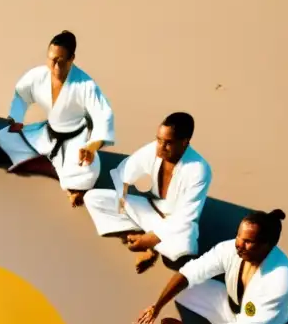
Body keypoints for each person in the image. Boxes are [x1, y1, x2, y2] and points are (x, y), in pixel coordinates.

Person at [136, 209, 288, 324]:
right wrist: (157, 306)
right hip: (232, 311)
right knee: (183, 288)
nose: (239, 244)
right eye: (238, 236)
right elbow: (190, 271)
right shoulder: (231, 249)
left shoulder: (281, 279)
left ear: (268, 244)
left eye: (248, 241)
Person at [0, 31, 114, 208]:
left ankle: (53, 167)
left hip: (75, 140)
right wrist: (17, 118)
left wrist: (91, 147)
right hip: (47, 134)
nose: (56, 67)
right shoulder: (39, 76)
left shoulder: (85, 85)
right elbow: (21, 94)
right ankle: (55, 167)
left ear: (72, 58)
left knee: (88, 173)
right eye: (52, 60)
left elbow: (103, 116)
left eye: (61, 61)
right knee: (2, 137)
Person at [83, 112, 212, 273]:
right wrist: (122, 203)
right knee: (93, 198)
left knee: (180, 255)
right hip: (149, 209)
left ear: (185, 142)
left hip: (176, 223)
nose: (160, 146)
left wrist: (150, 239)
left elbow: (186, 217)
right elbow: (125, 172)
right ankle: (142, 242)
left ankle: (149, 245)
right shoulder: (154, 149)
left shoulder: (198, 169)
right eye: (158, 139)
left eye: (168, 143)